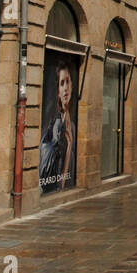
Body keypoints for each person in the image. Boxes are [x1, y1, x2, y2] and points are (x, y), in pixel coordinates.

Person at [39, 59, 77, 193]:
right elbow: (60, 183)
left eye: (68, 81)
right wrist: (69, 145)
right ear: (58, 91)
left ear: (72, 85)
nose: (66, 87)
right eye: (62, 83)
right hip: (52, 187)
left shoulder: (71, 123)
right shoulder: (57, 121)